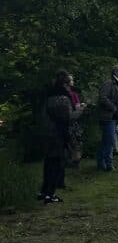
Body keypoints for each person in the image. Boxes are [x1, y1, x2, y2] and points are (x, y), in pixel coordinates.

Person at [38, 70, 85, 204]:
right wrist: (80, 110)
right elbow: (68, 118)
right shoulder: (63, 99)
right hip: (58, 135)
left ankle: (43, 192)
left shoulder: (49, 98)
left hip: (47, 134)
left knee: (48, 164)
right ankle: (50, 195)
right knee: (56, 165)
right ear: (64, 85)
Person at [97, 64, 118, 172]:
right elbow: (102, 98)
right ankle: (108, 165)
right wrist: (113, 108)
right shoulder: (109, 83)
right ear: (116, 72)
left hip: (115, 117)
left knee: (106, 140)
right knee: (109, 141)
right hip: (108, 116)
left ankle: (101, 163)